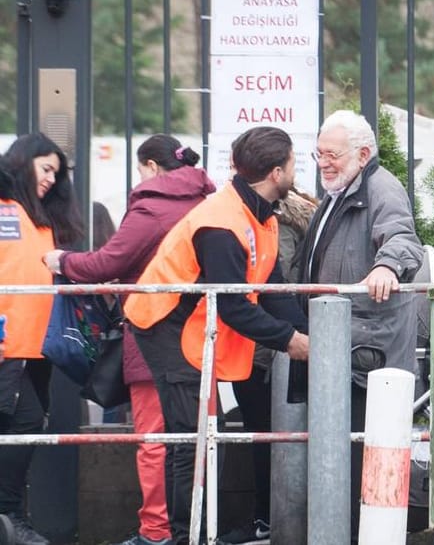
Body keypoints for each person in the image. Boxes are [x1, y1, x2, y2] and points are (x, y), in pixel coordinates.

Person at [124, 126, 310, 545]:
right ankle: (185, 536)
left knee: (200, 434)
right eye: (295, 162)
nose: (297, 169)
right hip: (165, 325)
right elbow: (235, 307)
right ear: (277, 172)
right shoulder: (222, 223)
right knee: (194, 438)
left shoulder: (260, 214)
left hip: (186, 324)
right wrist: (291, 340)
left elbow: (270, 288)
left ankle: (187, 534)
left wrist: (311, 333)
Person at [43, 134, 215, 545]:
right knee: (199, 438)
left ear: (152, 167)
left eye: (140, 170)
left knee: (154, 439)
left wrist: (62, 260)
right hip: (204, 337)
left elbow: (109, 261)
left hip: (153, 334)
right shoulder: (208, 203)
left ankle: (155, 531)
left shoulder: (152, 206)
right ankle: (196, 528)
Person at [294, 110, 424, 539]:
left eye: (331, 154)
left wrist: (387, 265)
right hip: (341, 343)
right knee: (343, 452)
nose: (323, 163)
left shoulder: (380, 188)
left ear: (362, 154)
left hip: (363, 350)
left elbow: (404, 239)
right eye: (318, 155)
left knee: (355, 455)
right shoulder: (338, 192)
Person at [217, 186, 317, 545]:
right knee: (278, 437)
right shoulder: (304, 218)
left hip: (265, 346)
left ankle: (265, 519)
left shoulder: (271, 224)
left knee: (264, 436)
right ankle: (273, 518)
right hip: (284, 340)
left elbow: (271, 288)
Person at [0, 133, 84, 545]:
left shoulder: (42, 221)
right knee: (26, 424)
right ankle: (11, 517)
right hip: (8, 348)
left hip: (36, 349)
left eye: (57, 172)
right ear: (23, 161)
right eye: (45, 168)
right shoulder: (5, 210)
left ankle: (12, 518)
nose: (51, 179)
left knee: (24, 427)